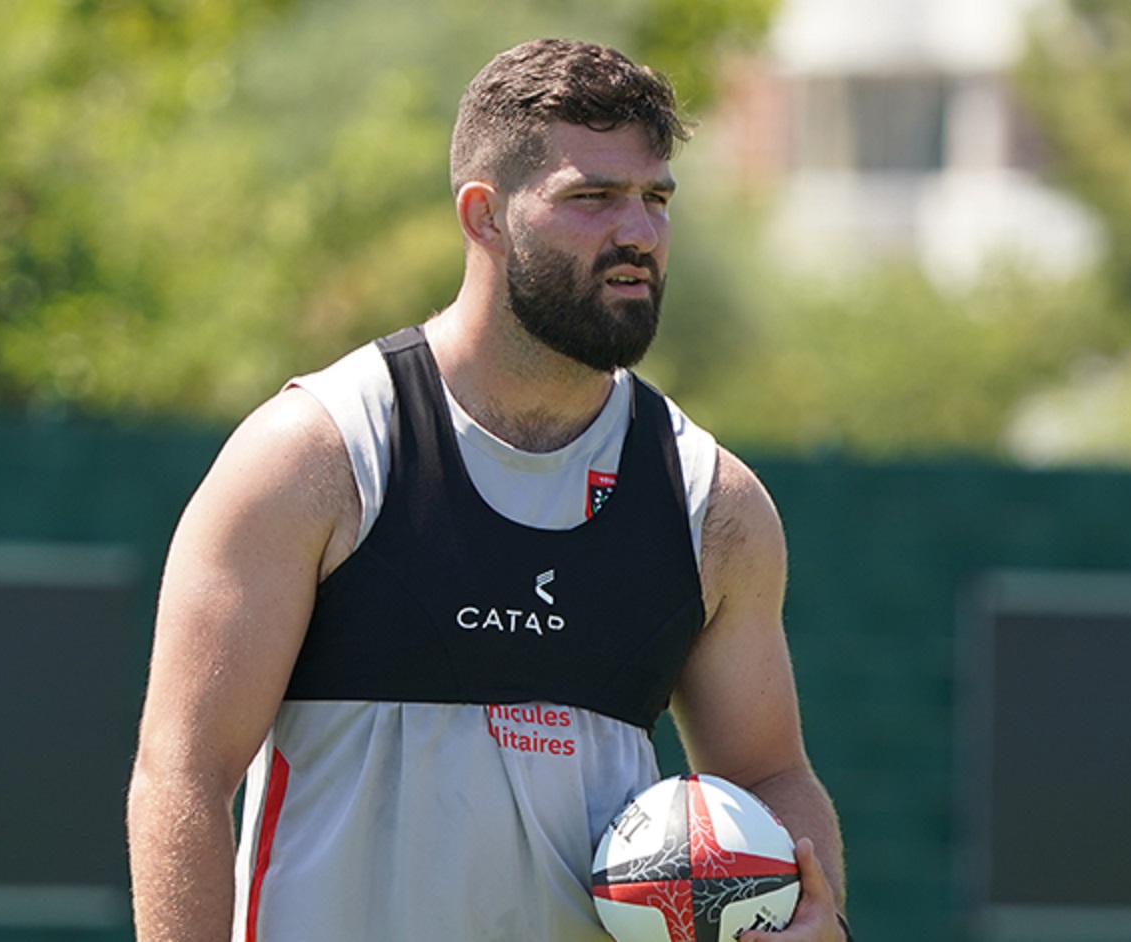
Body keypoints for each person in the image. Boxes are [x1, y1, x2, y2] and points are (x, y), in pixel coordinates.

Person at [127, 37, 849, 942]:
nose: (638, 233)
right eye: (592, 197)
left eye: (655, 200)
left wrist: (819, 918)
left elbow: (771, 775)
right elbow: (183, 775)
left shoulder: (712, 506)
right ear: (485, 216)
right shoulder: (319, 454)